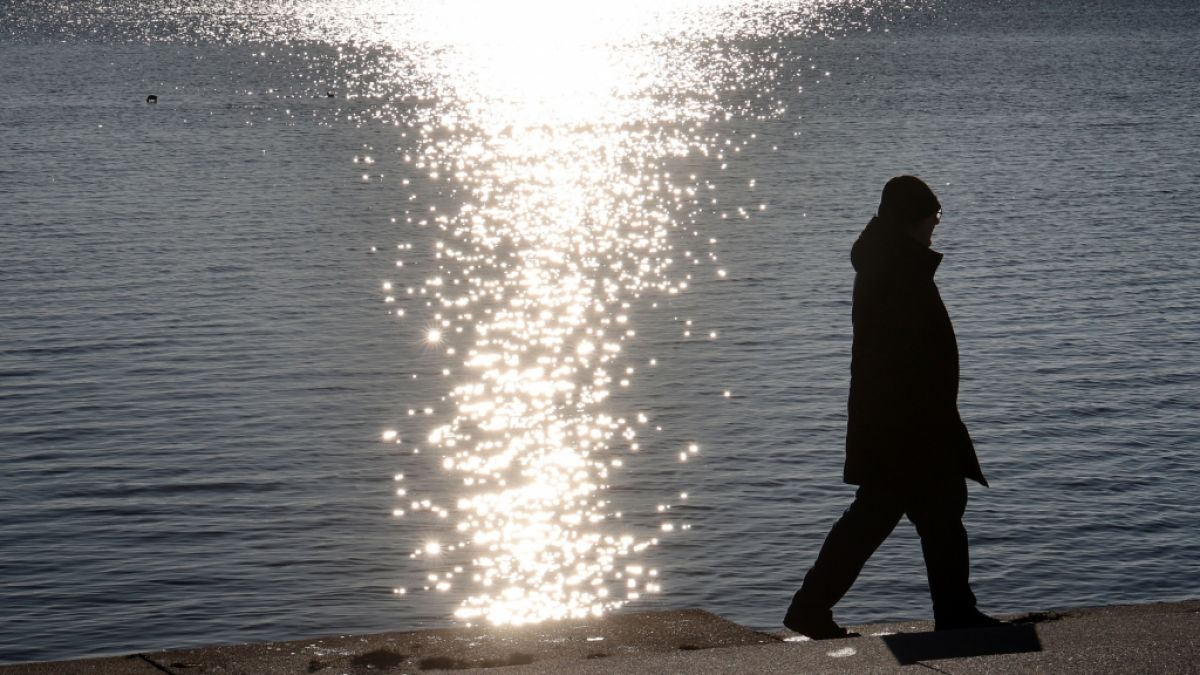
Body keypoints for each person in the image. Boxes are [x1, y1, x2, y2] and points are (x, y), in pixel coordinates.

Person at [783, 175, 1003, 639]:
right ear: (912, 219)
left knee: (910, 513)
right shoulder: (897, 269)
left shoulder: (892, 263)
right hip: (908, 422)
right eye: (933, 218)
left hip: (899, 419)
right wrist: (933, 412)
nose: (935, 228)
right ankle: (951, 612)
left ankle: (814, 607)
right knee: (916, 513)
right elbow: (905, 354)